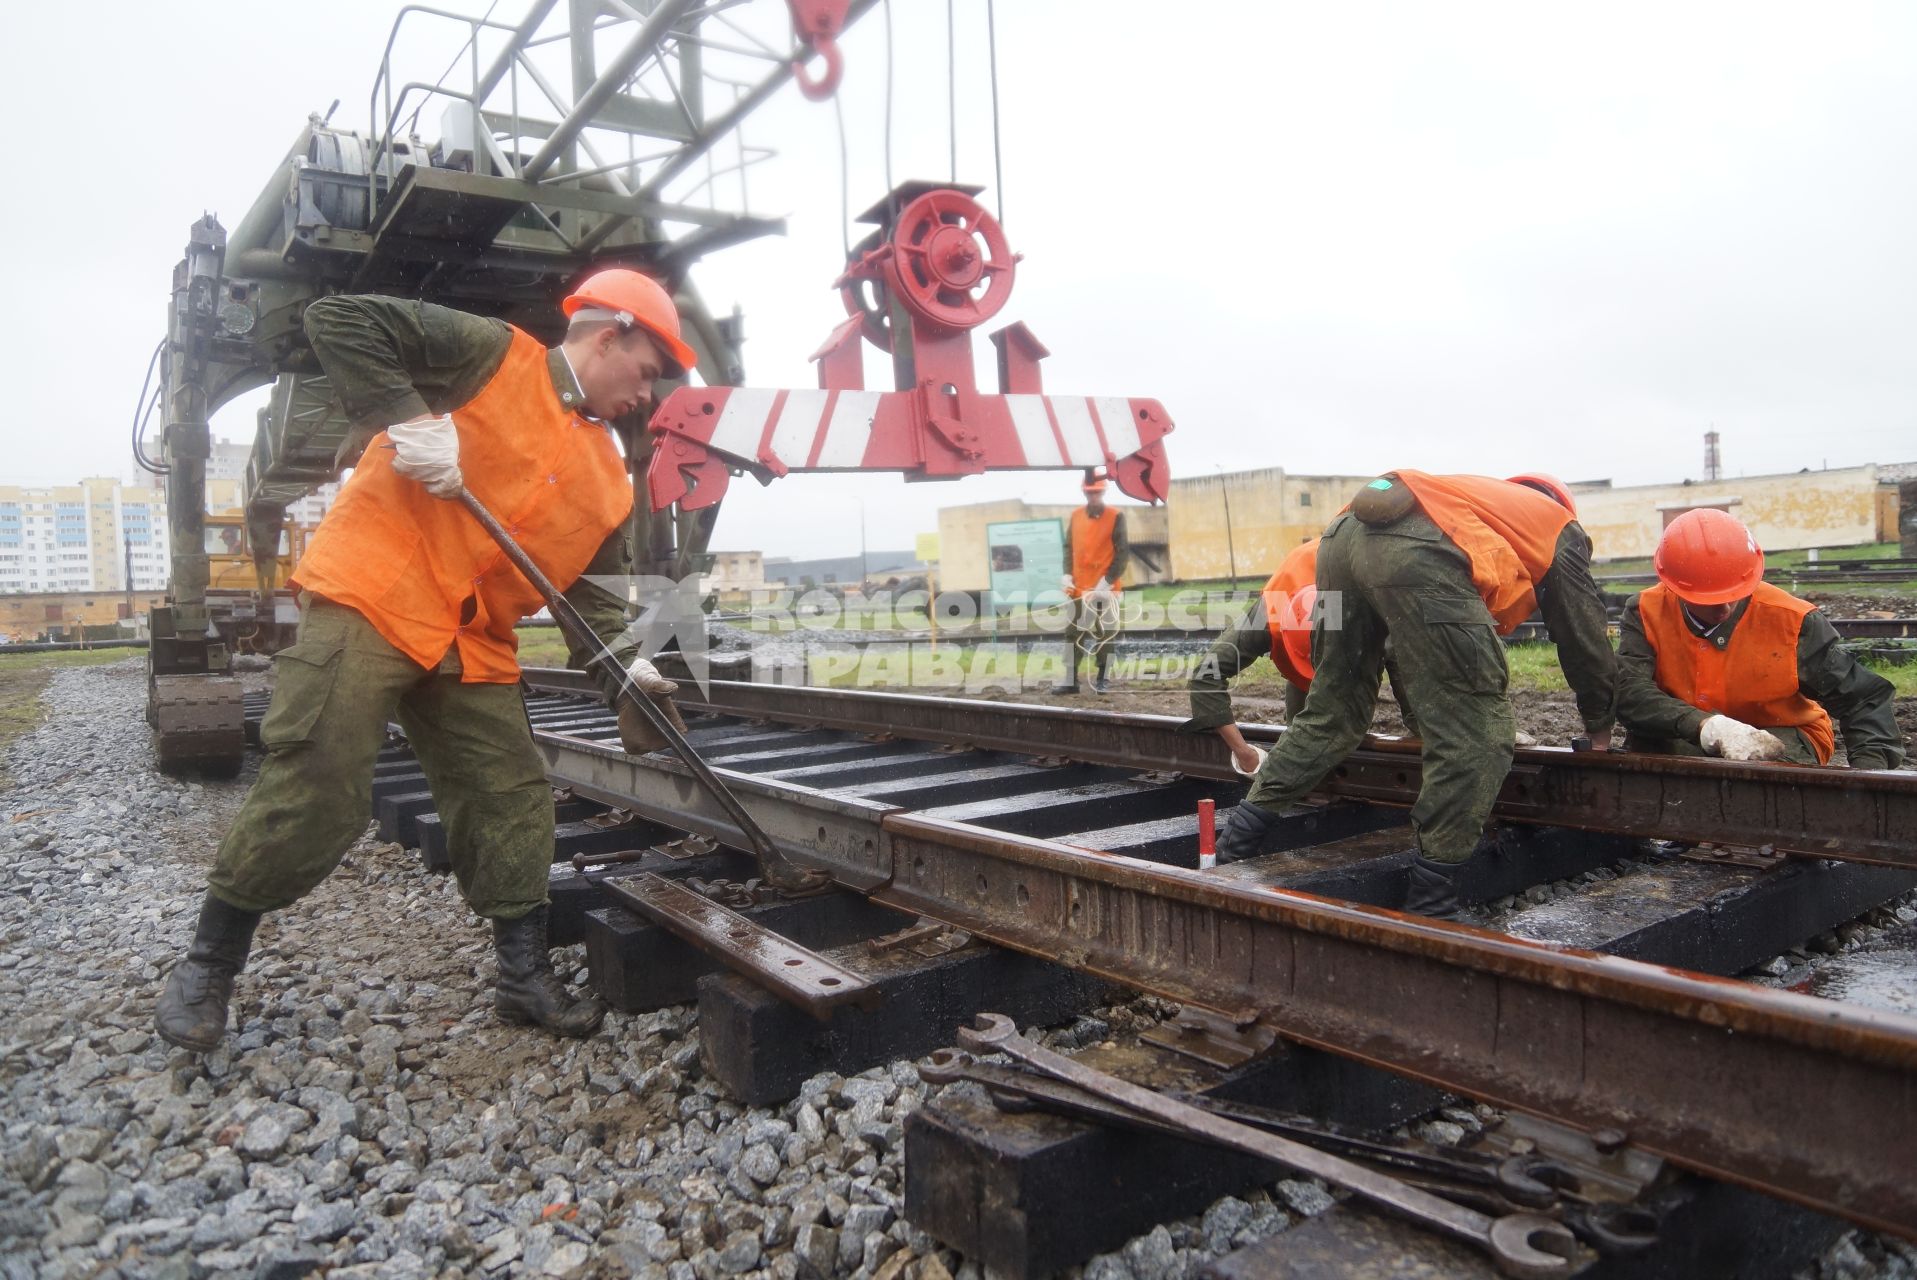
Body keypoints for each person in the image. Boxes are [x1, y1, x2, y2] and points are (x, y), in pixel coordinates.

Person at [154, 268, 697, 1054]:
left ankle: (521, 977)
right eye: (646, 371)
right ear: (607, 337)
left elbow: (591, 603)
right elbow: (338, 316)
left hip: (468, 637)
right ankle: (207, 967)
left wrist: (629, 671)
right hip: (378, 589)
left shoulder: (607, 478)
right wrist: (408, 421)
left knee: (509, 791)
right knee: (321, 769)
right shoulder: (491, 354)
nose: (647, 395)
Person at [1211, 471, 1617, 920]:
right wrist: (1600, 724)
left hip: (1341, 537)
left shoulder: (1474, 502)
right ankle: (1432, 900)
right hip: (1405, 547)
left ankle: (1236, 842)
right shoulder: (1558, 528)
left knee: (1333, 711)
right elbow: (1584, 636)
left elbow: (1418, 650)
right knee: (1476, 731)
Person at [1616, 509, 1903, 770]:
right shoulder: (1644, 612)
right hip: (1685, 733)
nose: (1725, 608)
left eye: (1733, 594)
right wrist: (1704, 725)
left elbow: (1862, 698)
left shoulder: (1793, 621)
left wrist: (1870, 775)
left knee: (1750, 781)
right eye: (1709, 599)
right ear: (1674, 586)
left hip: (1784, 734)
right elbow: (1631, 693)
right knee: (1658, 756)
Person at [1054, 469, 1131, 694]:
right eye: (1090, 493)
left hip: (1105, 590)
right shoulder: (1076, 516)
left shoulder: (1116, 516)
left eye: (1097, 493)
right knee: (1072, 635)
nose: (1093, 497)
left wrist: (1107, 581)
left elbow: (1122, 553)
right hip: (1079, 589)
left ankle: (1102, 680)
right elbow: (1069, 547)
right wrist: (1067, 573)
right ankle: (1070, 681)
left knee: (1104, 634)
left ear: (1104, 492)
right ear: (1084, 493)